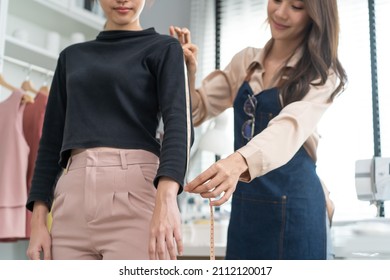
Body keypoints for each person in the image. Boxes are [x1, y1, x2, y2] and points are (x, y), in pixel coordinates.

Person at [171, 0, 346, 260]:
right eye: (276, 0)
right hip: (247, 210)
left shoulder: (322, 74)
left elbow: (288, 129)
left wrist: (237, 161)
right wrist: (186, 72)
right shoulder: (245, 62)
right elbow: (196, 111)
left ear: (314, 16)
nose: (280, 12)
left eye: (297, 6)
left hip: (298, 209)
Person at [26, 0, 193, 260]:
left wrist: (167, 200)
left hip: (136, 196)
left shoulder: (165, 48)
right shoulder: (71, 57)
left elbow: (178, 126)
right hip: (71, 202)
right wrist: (37, 223)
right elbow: (50, 143)